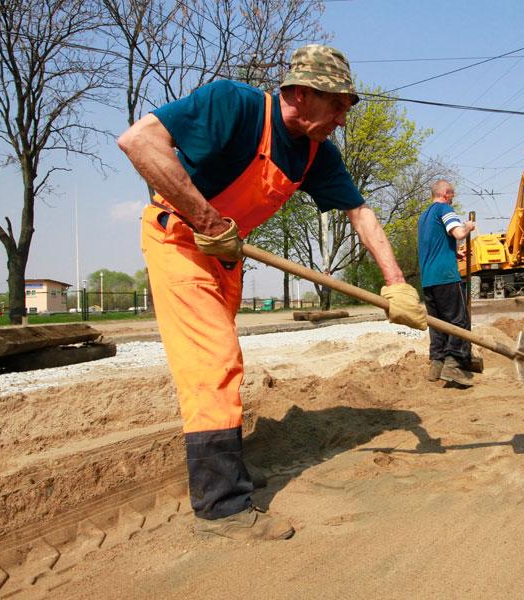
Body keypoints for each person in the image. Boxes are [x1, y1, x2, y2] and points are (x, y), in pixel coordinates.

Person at [117, 44, 427, 541]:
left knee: (226, 361)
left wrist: (396, 283)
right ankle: (221, 507)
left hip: (225, 253)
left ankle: (227, 469)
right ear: (301, 94)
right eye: (339, 106)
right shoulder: (232, 105)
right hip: (179, 239)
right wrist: (204, 217)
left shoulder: (315, 153)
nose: (343, 120)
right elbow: (139, 141)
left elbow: (361, 213)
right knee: (212, 363)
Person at [417, 180, 476, 387]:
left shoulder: (424, 217)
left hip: (428, 279)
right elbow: (458, 233)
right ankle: (454, 363)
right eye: (452, 194)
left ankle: (437, 364)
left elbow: (435, 245)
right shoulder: (444, 208)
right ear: (445, 194)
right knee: (459, 321)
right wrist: (467, 226)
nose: (453, 198)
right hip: (446, 277)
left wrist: (454, 252)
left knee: (438, 324)